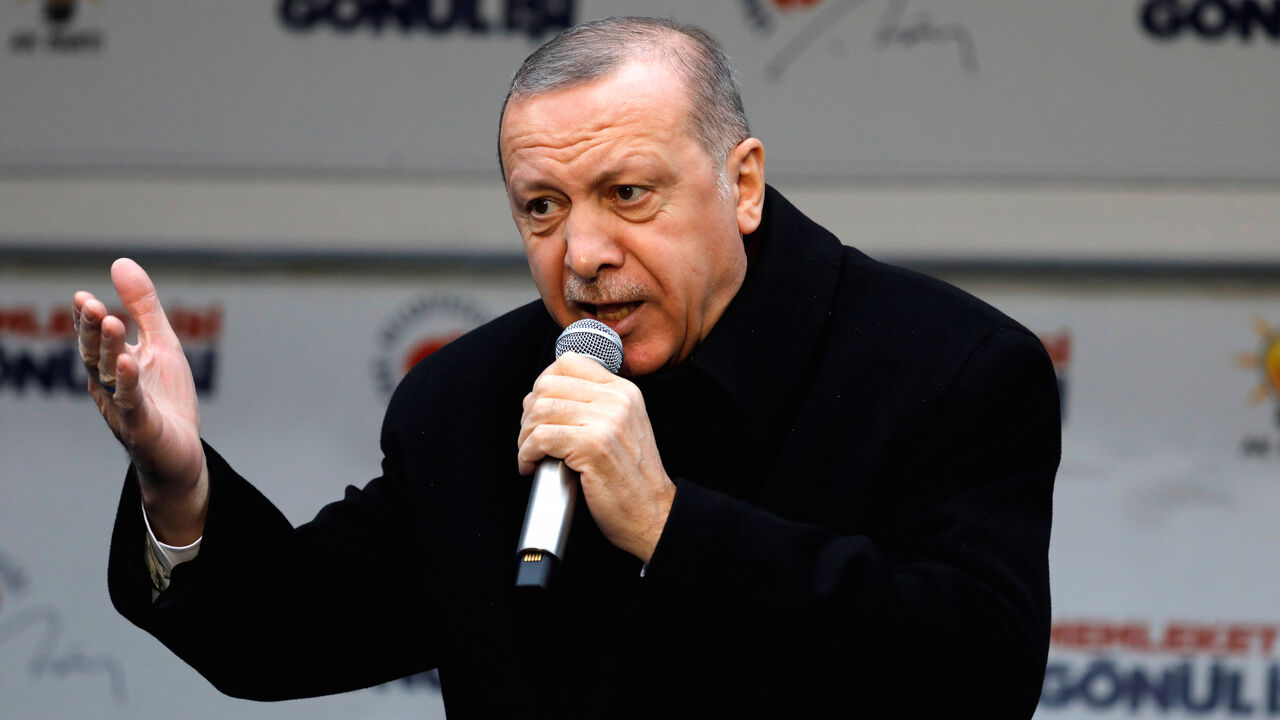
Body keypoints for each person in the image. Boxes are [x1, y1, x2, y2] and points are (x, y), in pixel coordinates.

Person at [73, 16, 1058, 719]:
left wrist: (671, 528)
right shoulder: (467, 401)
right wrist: (178, 478)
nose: (580, 253)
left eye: (627, 193)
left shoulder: (949, 369)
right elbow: (285, 637)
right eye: (540, 208)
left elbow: (975, 675)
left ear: (742, 184)